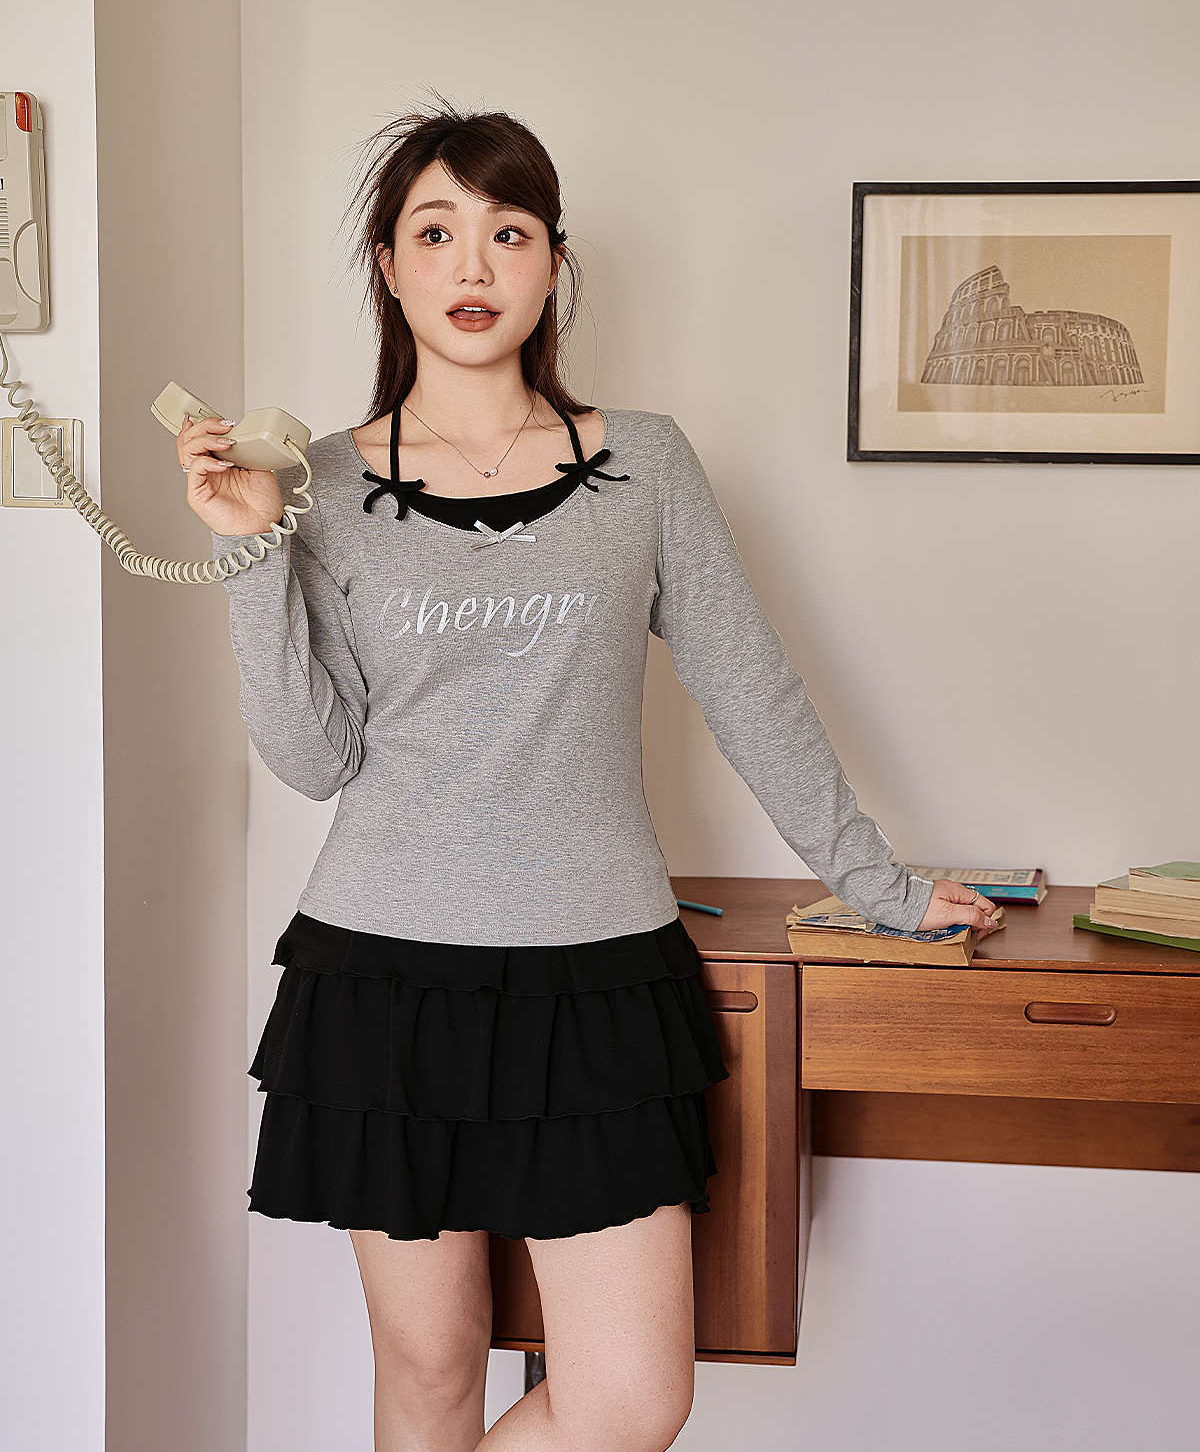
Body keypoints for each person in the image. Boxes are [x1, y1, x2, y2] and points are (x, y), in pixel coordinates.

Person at [185, 97, 999, 1452]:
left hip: (599, 975)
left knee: (632, 1396)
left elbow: (753, 694)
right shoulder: (314, 482)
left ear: (554, 264)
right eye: (435, 233)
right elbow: (313, 755)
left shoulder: (648, 464)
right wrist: (248, 548)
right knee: (430, 1374)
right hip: (385, 979)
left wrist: (882, 887)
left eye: (508, 233)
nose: (472, 265)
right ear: (388, 265)